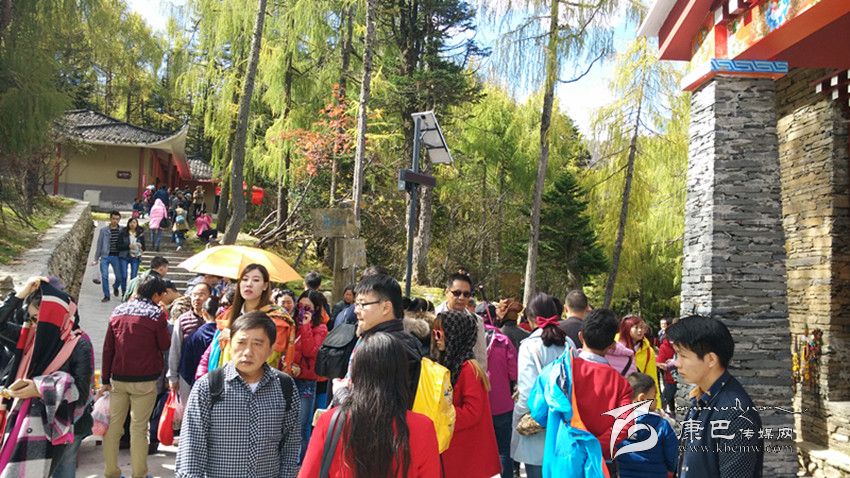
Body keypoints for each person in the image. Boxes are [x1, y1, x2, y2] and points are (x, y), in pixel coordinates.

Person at [176, 311, 301, 478]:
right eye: (241, 342)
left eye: (257, 344)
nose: (247, 352)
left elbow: (290, 445)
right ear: (229, 344)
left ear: (271, 349)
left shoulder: (285, 387)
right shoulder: (209, 386)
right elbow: (191, 448)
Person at [300, 333, 439, 478]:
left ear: (356, 373)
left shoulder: (331, 422)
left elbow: (308, 474)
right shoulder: (423, 427)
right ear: (401, 376)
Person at [0, 277, 93, 477]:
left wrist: (39, 388)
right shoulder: (29, 338)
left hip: (62, 425)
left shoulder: (79, 344)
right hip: (20, 421)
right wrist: (20, 294)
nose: (34, 325)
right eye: (32, 319)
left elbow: (82, 394)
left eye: (39, 319)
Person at [669, 315, 764, 478]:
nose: (676, 363)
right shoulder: (702, 397)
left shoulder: (736, 414)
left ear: (711, 359)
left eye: (682, 356)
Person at [100, 275, 171, 478]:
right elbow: (164, 345)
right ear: (156, 294)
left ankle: (111, 472)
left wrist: (105, 379)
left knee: (114, 426)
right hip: (145, 380)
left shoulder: (118, 311)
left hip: (118, 378)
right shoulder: (156, 315)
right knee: (139, 428)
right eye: (161, 295)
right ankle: (139, 474)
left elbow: (108, 348)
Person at [196, 264, 296, 378]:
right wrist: (203, 377)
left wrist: (235, 337)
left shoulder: (276, 319)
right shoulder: (229, 315)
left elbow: (268, 357)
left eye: (256, 280)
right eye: (244, 279)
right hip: (220, 380)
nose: (249, 284)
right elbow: (211, 352)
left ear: (265, 286)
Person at [433, 310, 500, 478]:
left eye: (440, 333)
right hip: (459, 451)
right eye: (434, 332)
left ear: (455, 334)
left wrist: (440, 414)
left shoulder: (468, 369)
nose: (436, 338)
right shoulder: (453, 363)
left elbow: (472, 412)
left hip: (468, 455)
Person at [510, 293, 568, 478]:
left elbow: (527, 394)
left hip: (538, 429)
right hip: (565, 427)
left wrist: (518, 418)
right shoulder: (568, 344)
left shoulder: (530, 346)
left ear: (530, 318)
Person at [572, 308, 635, 474]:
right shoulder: (621, 383)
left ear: (581, 336)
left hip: (567, 455)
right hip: (602, 461)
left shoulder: (563, 371)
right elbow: (625, 424)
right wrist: (596, 446)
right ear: (612, 346)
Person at [615, 372, 678, 478]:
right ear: (642, 399)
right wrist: (671, 470)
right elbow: (672, 455)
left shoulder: (617, 424)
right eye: (654, 396)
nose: (657, 400)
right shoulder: (662, 425)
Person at [291, 289, 329, 461]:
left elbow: (310, 351)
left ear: (316, 309)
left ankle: (301, 461)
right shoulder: (292, 324)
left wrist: (306, 326)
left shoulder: (321, 328)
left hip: (306, 381)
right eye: (300, 306)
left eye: (308, 307)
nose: (303, 310)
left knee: (302, 423)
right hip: (289, 377)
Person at [483, 314, 518, 478]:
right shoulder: (503, 342)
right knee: (504, 449)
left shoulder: (468, 340)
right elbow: (514, 373)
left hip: (478, 405)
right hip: (502, 403)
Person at [168, 283, 213, 403]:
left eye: (201, 294)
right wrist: (173, 376)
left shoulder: (215, 320)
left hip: (209, 373)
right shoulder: (183, 320)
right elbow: (175, 349)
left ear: (210, 296)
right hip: (186, 373)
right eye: (194, 295)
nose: (197, 298)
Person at [435, 272, 488, 371]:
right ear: (447, 292)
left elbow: (480, 357)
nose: (461, 298)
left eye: (466, 294)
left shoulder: (476, 321)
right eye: (457, 293)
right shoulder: (434, 316)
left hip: (465, 376)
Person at [617, 315, 661, 405]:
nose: (640, 330)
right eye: (636, 327)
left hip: (635, 396)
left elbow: (652, 378)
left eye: (642, 327)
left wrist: (656, 404)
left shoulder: (648, 351)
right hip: (615, 392)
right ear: (627, 328)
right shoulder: (613, 346)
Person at [178, 296, 220, 389]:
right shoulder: (227, 334)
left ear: (203, 312)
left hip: (199, 383)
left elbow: (186, 367)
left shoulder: (196, 336)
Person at [92, 210, 125, 302]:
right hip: (105, 256)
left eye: (117, 219)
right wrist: (96, 258)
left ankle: (115, 286)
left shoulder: (122, 230)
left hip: (117, 257)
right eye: (113, 219)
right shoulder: (103, 230)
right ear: (110, 219)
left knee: (119, 277)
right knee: (105, 276)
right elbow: (99, 244)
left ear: (119, 220)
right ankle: (106, 295)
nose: (115, 221)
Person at [655, 318, 678, 418]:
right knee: (665, 399)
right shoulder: (664, 347)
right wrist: (669, 365)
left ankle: (672, 413)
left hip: (680, 379)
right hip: (670, 379)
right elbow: (659, 363)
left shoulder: (681, 345)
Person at [118, 216, 146, 292]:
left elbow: (144, 247)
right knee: (124, 275)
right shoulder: (123, 233)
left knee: (133, 276)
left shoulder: (140, 235)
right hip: (124, 256)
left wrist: (141, 247)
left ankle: (130, 293)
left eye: (134, 222)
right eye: (131, 222)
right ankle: (124, 292)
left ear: (137, 224)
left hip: (135, 257)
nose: (132, 224)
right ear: (128, 223)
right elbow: (118, 246)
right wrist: (128, 246)